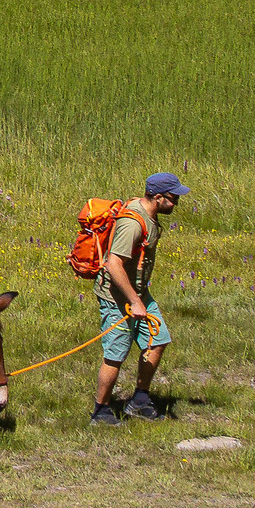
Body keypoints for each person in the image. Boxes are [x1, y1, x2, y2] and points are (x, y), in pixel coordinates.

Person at [91, 172, 187, 424]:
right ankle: (100, 411)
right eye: (173, 198)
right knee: (116, 353)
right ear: (157, 197)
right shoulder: (132, 223)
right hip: (116, 296)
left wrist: (139, 298)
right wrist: (134, 301)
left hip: (139, 293)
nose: (176, 202)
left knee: (158, 340)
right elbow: (113, 264)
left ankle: (140, 400)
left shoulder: (149, 215)